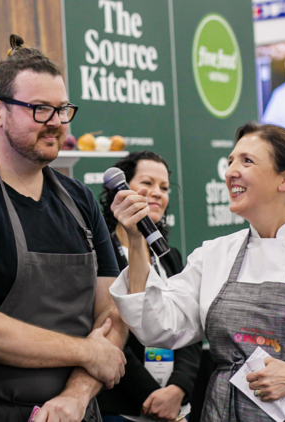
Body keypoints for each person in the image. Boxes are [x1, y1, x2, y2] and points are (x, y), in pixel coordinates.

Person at [110, 122, 285, 421]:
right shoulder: (215, 255)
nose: (230, 171)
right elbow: (157, 326)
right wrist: (135, 239)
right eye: (231, 160)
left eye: (247, 161)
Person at [0, 34, 127, 422]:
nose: (57, 124)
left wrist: (75, 397)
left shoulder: (80, 200)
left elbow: (112, 312)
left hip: (78, 411)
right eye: (40, 110)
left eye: (63, 110)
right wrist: (85, 351)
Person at [97, 151, 202, 422]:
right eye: (147, 183)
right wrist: (153, 396)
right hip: (124, 408)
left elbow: (190, 325)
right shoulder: (99, 255)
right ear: (121, 192)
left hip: (177, 407)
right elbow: (110, 331)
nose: (156, 193)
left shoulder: (170, 256)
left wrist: (178, 389)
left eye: (164, 188)